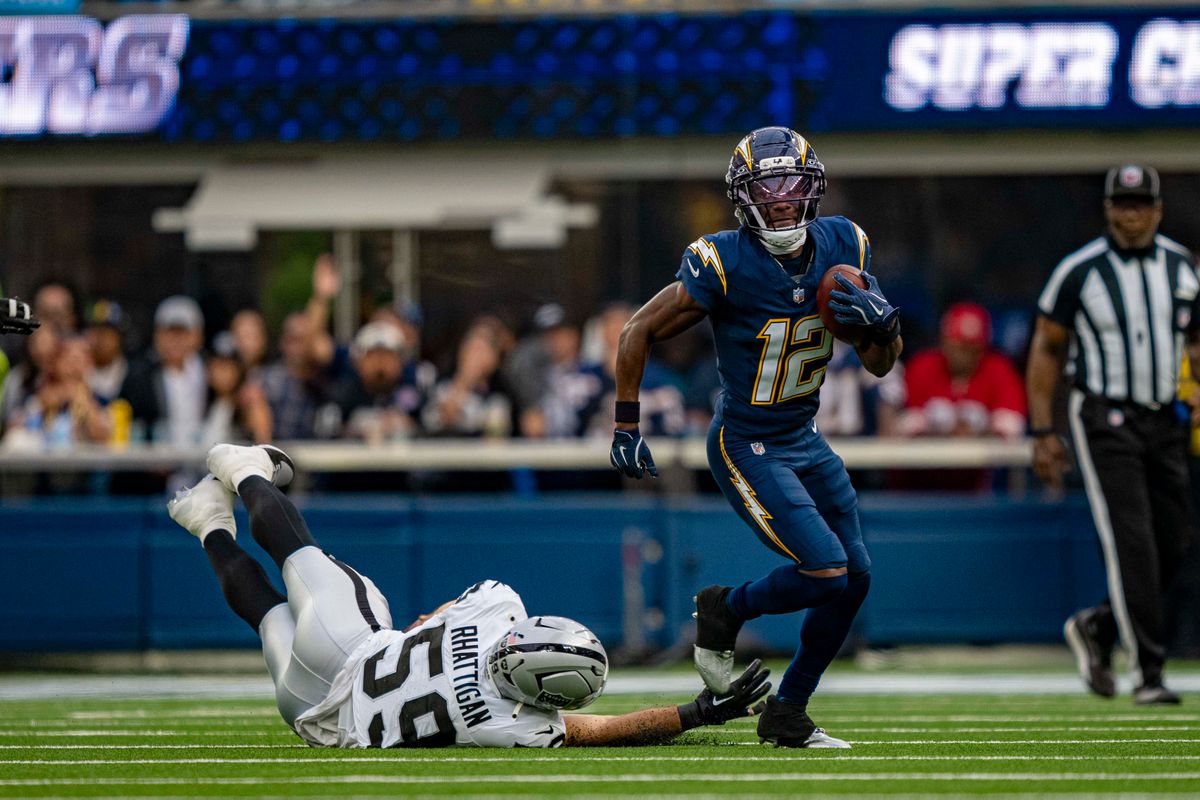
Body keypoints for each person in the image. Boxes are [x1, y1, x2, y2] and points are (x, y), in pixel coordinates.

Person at [167, 442, 771, 748]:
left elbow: (432, 620)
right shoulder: (515, 725)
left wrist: (428, 639)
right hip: (315, 718)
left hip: (351, 649)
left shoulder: (499, 605)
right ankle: (208, 524)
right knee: (267, 614)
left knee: (300, 556)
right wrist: (695, 715)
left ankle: (243, 468)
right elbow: (605, 730)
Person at [610, 126, 902, 747]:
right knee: (826, 569)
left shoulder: (845, 243)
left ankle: (788, 710)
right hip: (746, 441)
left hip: (804, 435)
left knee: (859, 576)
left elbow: (881, 363)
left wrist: (885, 328)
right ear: (744, 198)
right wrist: (626, 422)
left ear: (812, 188)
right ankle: (726, 608)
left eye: (793, 184)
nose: (782, 199)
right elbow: (637, 329)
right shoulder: (724, 261)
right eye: (767, 188)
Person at [1027, 163, 1200, 705]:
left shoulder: (1182, 266)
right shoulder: (1079, 270)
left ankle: (1098, 627)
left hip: (1164, 417)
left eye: (1141, 204)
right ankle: (1148, 672)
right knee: (1134, 544)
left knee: (1175, 540)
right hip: (1103, 417)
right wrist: (1042, 429)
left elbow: (1194, 338)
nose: (1132, 215)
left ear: (1158, 208)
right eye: (1123, 205)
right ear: (1107, 209)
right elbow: (1047, 348)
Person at [896, 302, 1026, 491]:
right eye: (959, 346)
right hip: (922, 487)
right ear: (944, 341)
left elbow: (1013, 430)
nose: (965, 355)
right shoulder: (922, 366)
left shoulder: (999, 369)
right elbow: (901, 429)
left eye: (973, 348)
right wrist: (948, 428)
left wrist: (975, 429)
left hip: (981, 489)